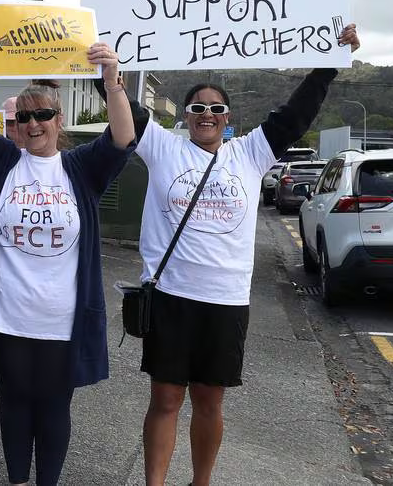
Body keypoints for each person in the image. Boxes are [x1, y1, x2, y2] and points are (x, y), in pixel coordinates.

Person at [132, 25, 361, 486]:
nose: (207, 115)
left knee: (210, 401)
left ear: (227, 117)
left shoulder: (249, 154)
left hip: (226, 299)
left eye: (216, 109)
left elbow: (293, 117)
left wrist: (329, 62)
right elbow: (125, 109)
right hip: (171, 295)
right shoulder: (162, 147)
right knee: (166, 399)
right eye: (198, 108)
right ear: (187, 115)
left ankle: (202, 482)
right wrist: (106, 71)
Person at [0, 17, 136, 486]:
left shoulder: (81, 168)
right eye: (23, 117)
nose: (32, 124)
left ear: (59, 121)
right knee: (14, 404)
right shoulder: (1, 163)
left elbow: (121, 138)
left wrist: (113, 83)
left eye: (42, 115)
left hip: (63, 318)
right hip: (8, 316)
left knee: (55, 407)